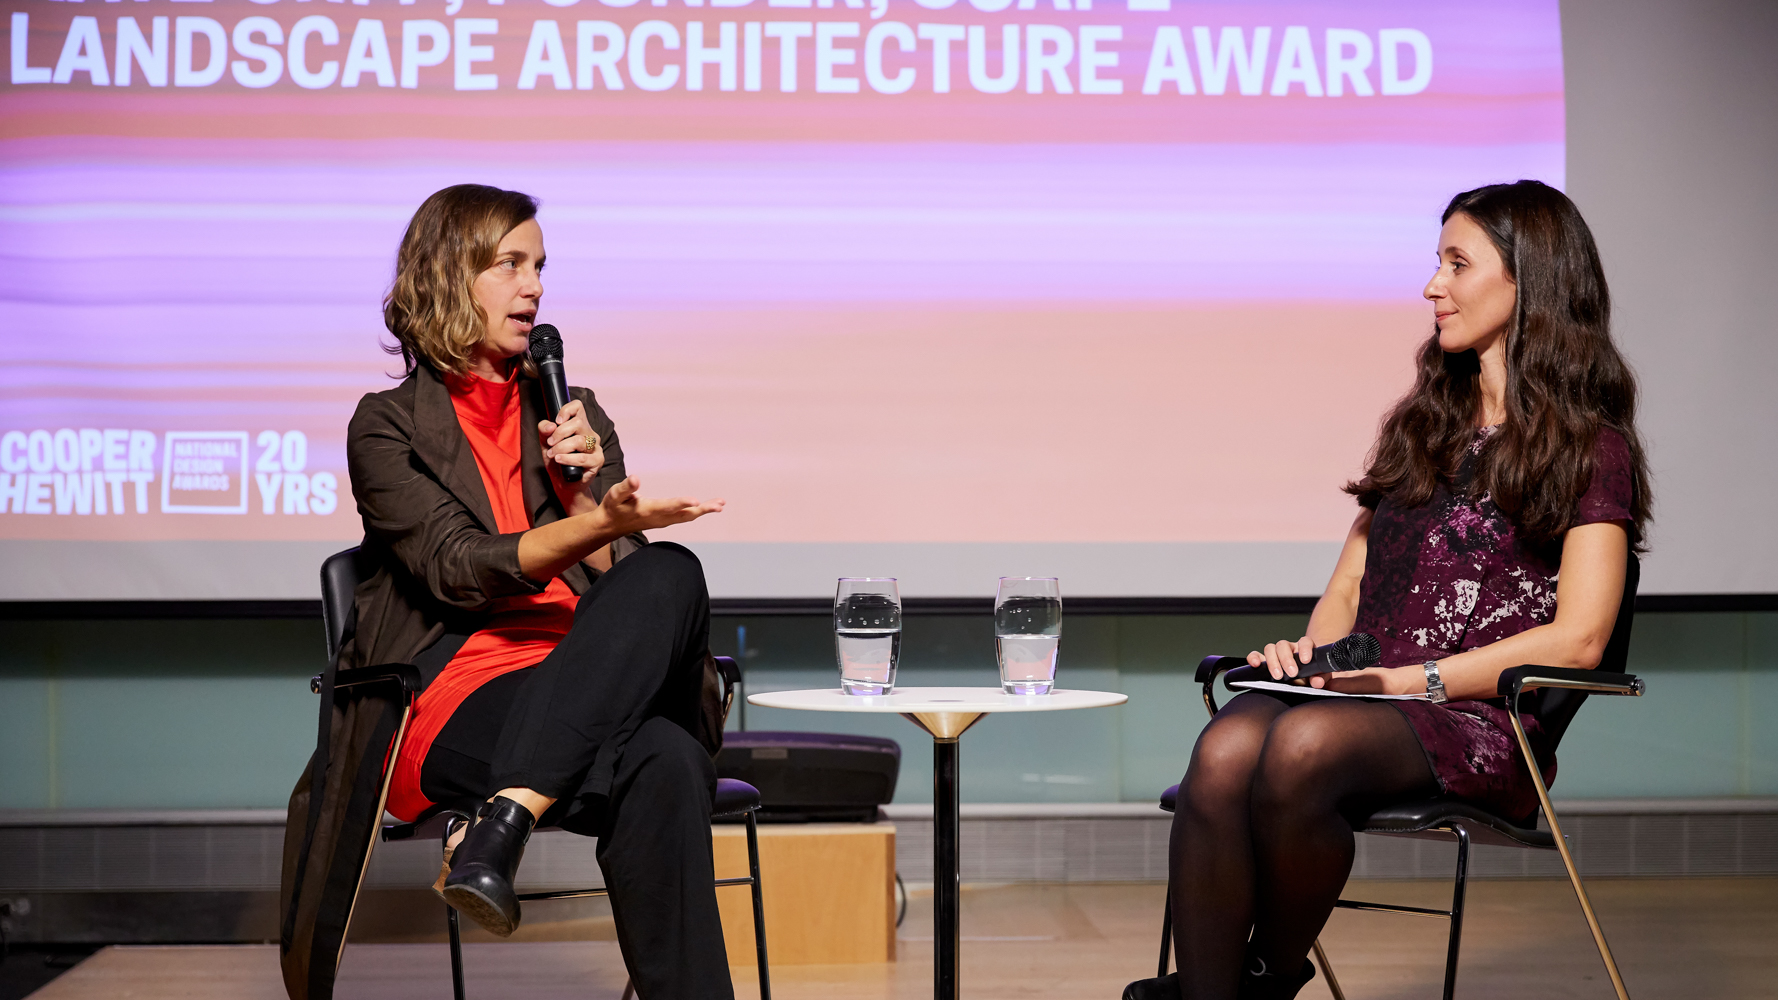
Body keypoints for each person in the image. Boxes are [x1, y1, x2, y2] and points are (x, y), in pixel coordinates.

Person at [1123, 181, 1652, 1000]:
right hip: (1364, 693)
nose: (1431, 286)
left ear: (1528, 281)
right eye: (1435, 262)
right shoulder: (1422, 424)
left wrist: (1408, 682)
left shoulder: (1592, 449)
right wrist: (1312, 654)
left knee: (1301, 749)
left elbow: (1581, 638)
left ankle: (1264, 977)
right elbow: (1348, 585)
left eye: (1456, 263)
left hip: (1479, 719)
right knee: (1225, 747)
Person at [282, 183, 734, 1000]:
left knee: (670, 574)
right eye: (510, 265)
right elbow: (458, 568)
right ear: (450, 277)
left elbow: (623, 592)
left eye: (540, 267)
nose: (535, 287)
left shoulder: (572, 411)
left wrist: (588, 506)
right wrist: (591, 529)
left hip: (584, 677)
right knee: (664, 756)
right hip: (456, 692)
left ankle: (502, 823)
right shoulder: (384, 425)